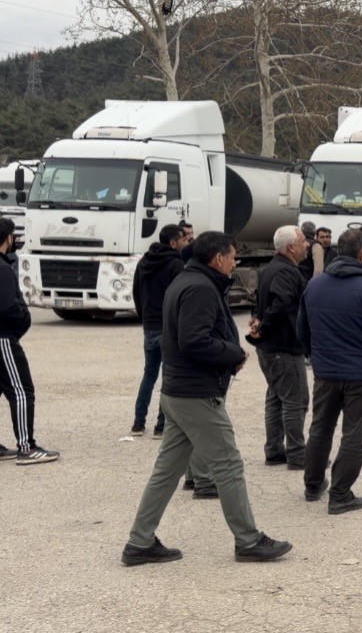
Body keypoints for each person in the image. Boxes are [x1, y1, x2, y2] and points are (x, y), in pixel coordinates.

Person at [121, 231, 291, 565]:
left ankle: (139, 542)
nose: (235, 262)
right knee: (228, 465)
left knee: (166, 472)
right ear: (217, 258)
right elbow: (194, 341)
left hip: (177, 392)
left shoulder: (186, 281)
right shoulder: (199, 287)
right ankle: (248, 540)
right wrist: (233, 353)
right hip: (196, 395)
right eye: (232, 256)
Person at [297, 229, 362, 514]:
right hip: (360, 374)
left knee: (320, 428)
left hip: (325, 371)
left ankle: (313, 486)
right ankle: (340, 494)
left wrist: (318, 356)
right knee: (354, 434)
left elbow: (302, 332)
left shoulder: (314, 285)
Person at [248, 225, 309, 470]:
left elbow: (260, 299)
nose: (307, 245)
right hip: (283, 347)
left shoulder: (272, 267)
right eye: (303, 241)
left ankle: (274, 451)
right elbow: (281, 303)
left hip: (270, 347)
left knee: (276, 398)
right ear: (291, 247)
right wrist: (263, 325)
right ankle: (297, 454)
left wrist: (257, 318)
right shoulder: (286, 271)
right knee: (296, 400)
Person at [0, 217, 58, 465]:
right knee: (22, 391)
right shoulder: (3, 268)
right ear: (8, 238)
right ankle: (26, 447)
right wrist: (23, 317)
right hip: (4, 339)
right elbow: (7, 307)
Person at [131, 223, 189, 438]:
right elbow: (180, 297)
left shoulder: (144, 262)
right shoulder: (176, 264)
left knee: (149, 374)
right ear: (173, 243)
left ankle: (138, 424)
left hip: (149, 326)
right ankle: (161, 426)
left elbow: (136, 292)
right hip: (167, 327)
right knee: (168, 377)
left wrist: (144, 317)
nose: (186, 243)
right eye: (183, 239)